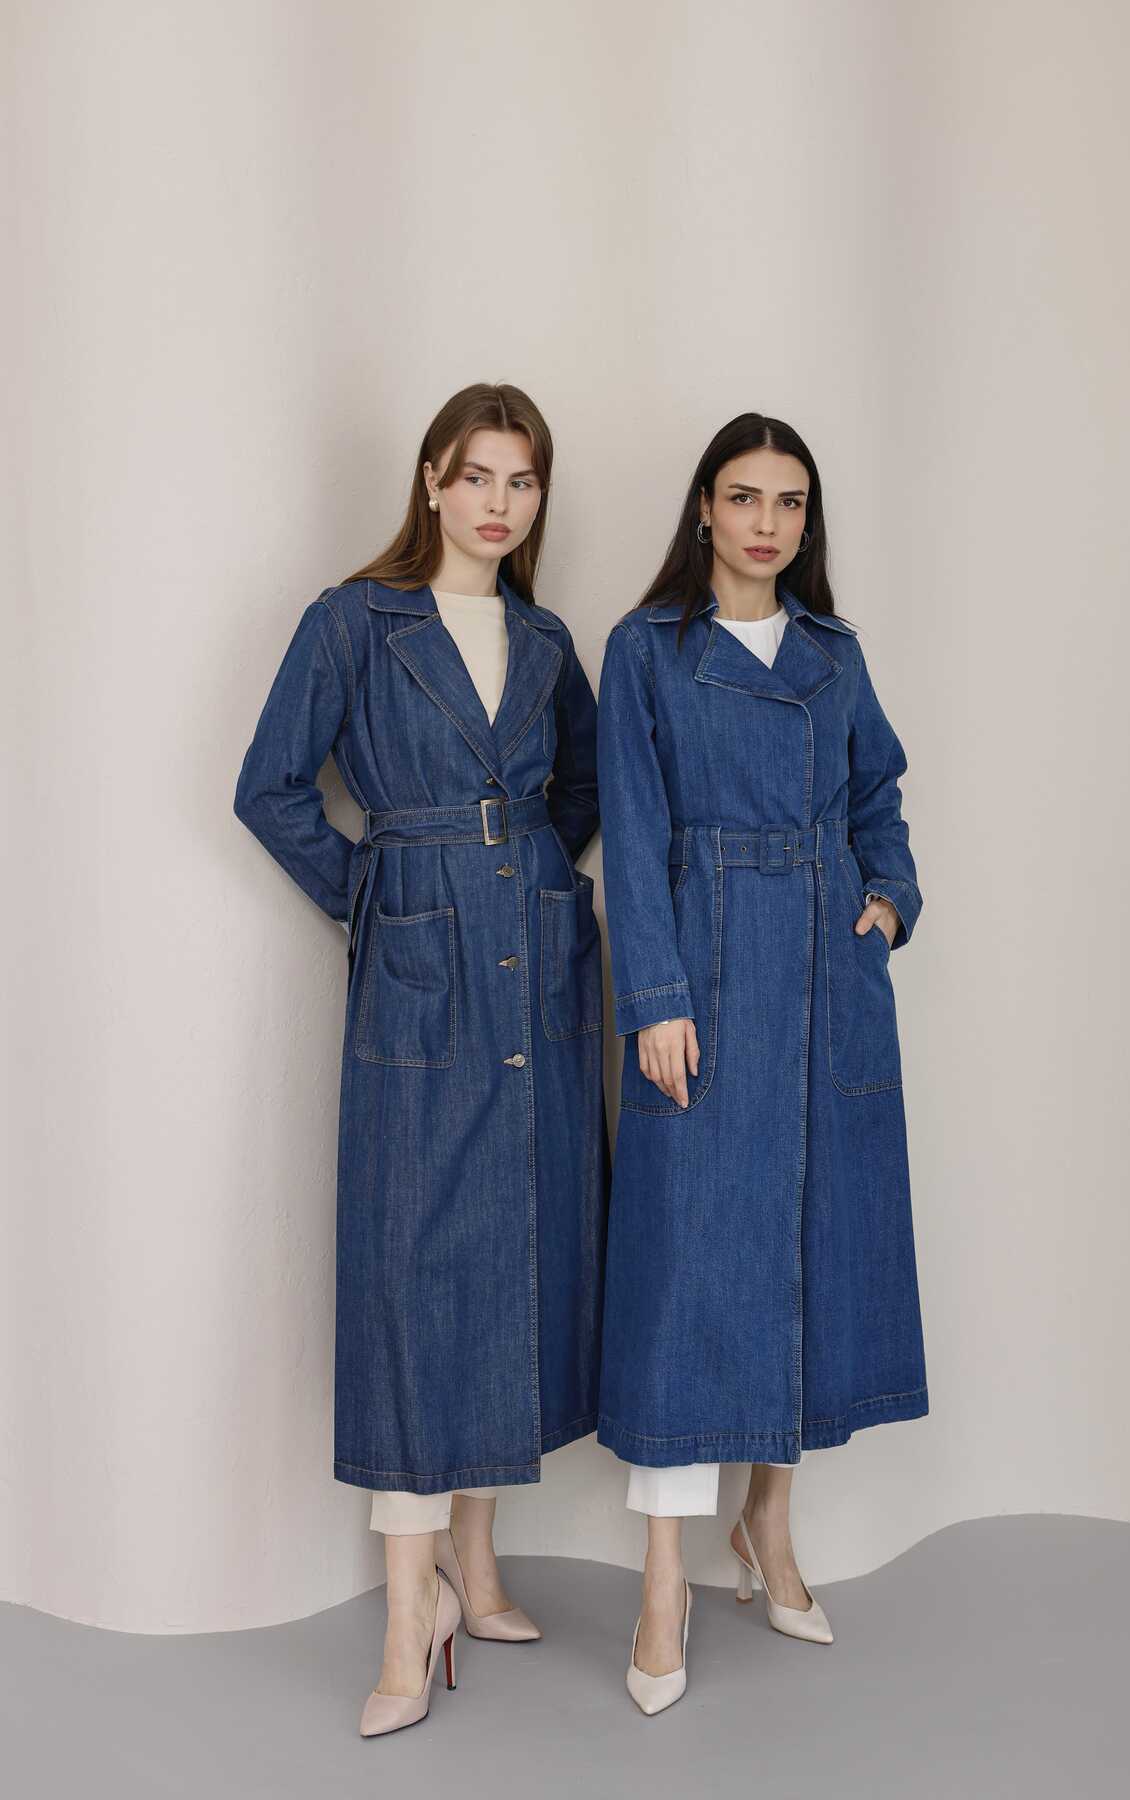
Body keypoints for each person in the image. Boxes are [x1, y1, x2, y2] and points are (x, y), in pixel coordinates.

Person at [234, 382, 609, 1737]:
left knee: (518, 1247)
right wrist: (377, 895)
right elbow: (269, 786)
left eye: (524, 481)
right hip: (419, 966)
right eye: (478, 476)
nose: (499, 504)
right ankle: (410, 1619)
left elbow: (580, 794)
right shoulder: (355, 622)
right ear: (433, 481)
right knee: (411, 1266)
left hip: (536, 965)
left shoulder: (549, 641)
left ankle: (479, 1564)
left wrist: (534, 891)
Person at [595, 412, 927, 1715]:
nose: (766, 523)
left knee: (808, 1255)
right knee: (688, 1275)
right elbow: (632, 828)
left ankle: (769, 1527)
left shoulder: (835, 655)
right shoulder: (647, 650)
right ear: (704, 509)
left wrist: (886, 902)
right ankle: (662, 1581)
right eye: (744, 497)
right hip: (708, 969)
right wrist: (655, 995)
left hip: (827, 980)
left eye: (789, 502)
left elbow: (877, 792)